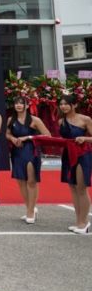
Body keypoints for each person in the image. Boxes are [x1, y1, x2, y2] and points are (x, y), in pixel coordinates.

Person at [7, 97, 50, 224]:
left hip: (31, 151)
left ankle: (31, 211)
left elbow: (48, 135)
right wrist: (12, 139)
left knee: (31, 181)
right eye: (16, 103)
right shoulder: (11, 119)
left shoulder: (35, 120)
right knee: (21, 181)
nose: (18, 105)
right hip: (17, 152)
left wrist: (28, 137)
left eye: (21, 103)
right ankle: (29, 208)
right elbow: (7, 133)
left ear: (27, 106)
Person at [58, 95, 92, 234]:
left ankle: (84, 222)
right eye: (61, 104)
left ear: (75, 105)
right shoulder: (61, 121)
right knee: (72, 187)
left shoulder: (85, 119)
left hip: (83, 154)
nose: (63, 106)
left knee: (81, 188)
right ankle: (79, 221)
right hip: (68, 155)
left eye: (66, 104)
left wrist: (84, 138)